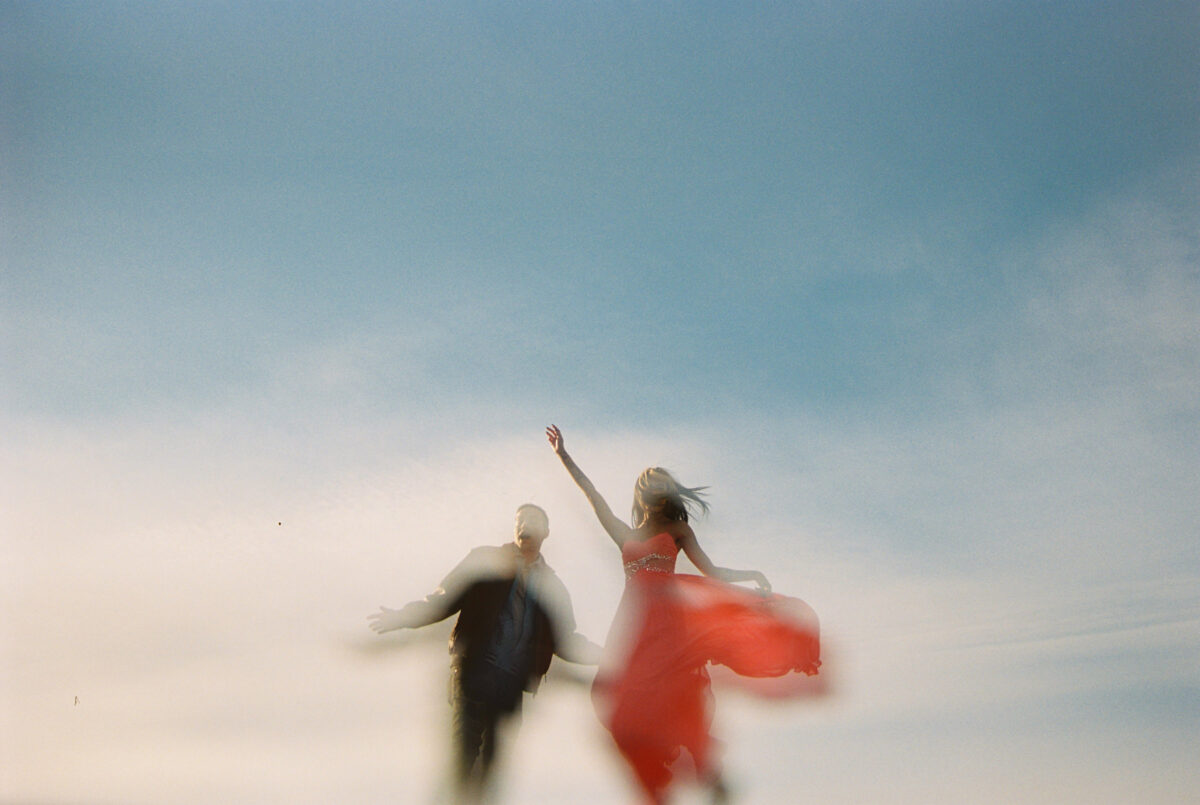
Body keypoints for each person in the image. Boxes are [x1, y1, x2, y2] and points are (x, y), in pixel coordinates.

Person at [546, 425, 820, 804]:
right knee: (618, 689)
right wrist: (564, 456)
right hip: (636, 621)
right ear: (643, 496)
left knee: (676, 686)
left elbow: (711, 571)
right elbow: (593, 497)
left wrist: (748, 576)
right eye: (652, 489)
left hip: (669, 619)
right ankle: (663, 759)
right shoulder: (624, 533)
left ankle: (698, 762)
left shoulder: (678, 529)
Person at [369, 503, 600, 803]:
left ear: (545, 532)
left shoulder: (551, 586)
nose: (523, 526)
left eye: (531, 521)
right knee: (463, 759)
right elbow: (443, 599)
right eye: (519, 521)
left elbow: (566, 640)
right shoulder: (486, 561)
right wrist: (403, 617)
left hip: (511, 687)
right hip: (474, 671)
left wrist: (608, 656)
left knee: (489, 773)